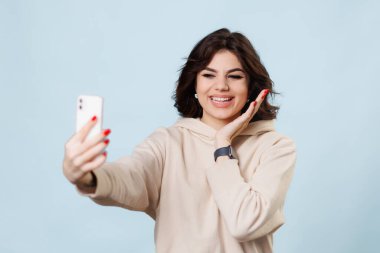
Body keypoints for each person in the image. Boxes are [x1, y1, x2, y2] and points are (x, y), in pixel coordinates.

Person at [62, 28, 296, 253]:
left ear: (251, 86)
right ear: (194, 84)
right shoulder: (168, 142)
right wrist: (86, 176)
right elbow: (131, 176)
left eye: (234, 76)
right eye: (208, 75)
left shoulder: (275, 147)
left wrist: (222, 146)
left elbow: (246, 222)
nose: (221, 86)